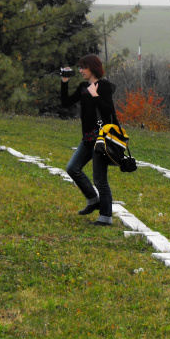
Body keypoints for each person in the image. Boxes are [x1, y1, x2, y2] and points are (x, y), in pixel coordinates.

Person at [61, 55, 116, 226]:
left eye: (83, 67)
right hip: (87, 139)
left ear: (92, 67)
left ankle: (106, 217)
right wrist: (64, 81)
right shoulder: (83, 86)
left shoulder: (104, 86)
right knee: (72, 168)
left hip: (101, 139)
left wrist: (95, 96)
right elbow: (66, 102)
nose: (81, 71)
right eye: (80, 67)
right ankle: (93, 199)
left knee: (100, 179)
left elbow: (109, 111)